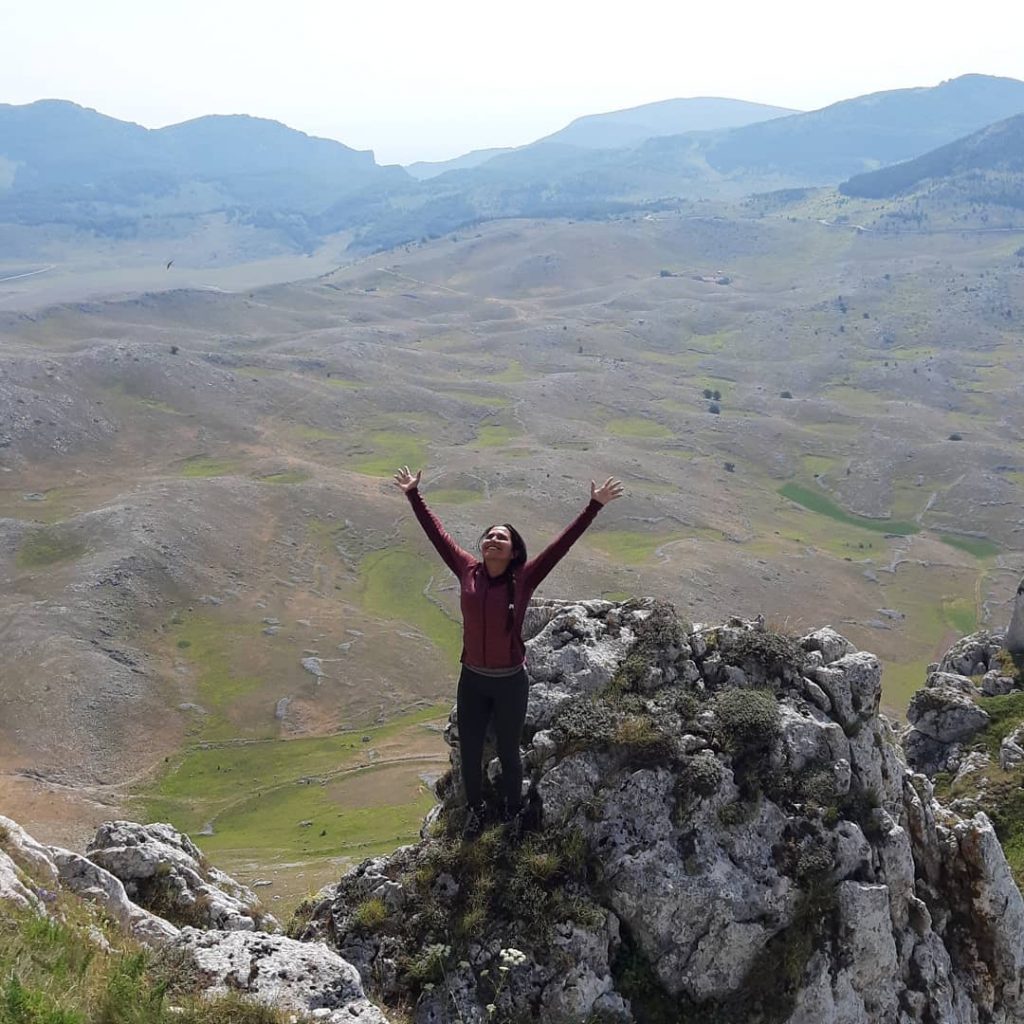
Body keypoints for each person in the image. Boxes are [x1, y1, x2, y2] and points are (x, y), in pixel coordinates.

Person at [393, 466, 623, 840]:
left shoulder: (525, 578)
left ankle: (513, 813)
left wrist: (593, 506)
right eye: (489, 536)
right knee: (469, 751)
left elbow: (561, 546)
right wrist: (413, 495)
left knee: (509, 752)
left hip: (510, 682)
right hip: (472, 680)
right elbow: (437, 535)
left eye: (501, 537)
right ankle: (475, 811)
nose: (493, 540)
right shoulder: (466, 568)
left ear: (514, 550)